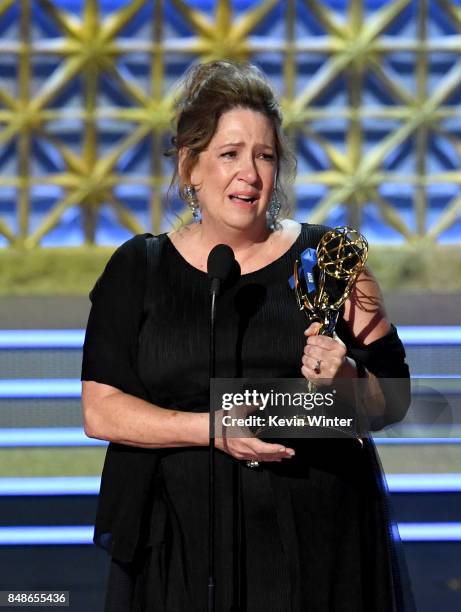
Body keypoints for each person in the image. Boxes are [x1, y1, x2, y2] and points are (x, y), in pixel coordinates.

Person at [81, 60, 414, 611]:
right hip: (179, 551)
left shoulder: (330, 261)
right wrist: (214, 427)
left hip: (316, 551)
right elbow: (102, 411)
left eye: (265, 156)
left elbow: (393, 397)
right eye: (229, 154)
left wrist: (348, 378)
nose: (250, 174)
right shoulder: (137, 268)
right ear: (190, 166)